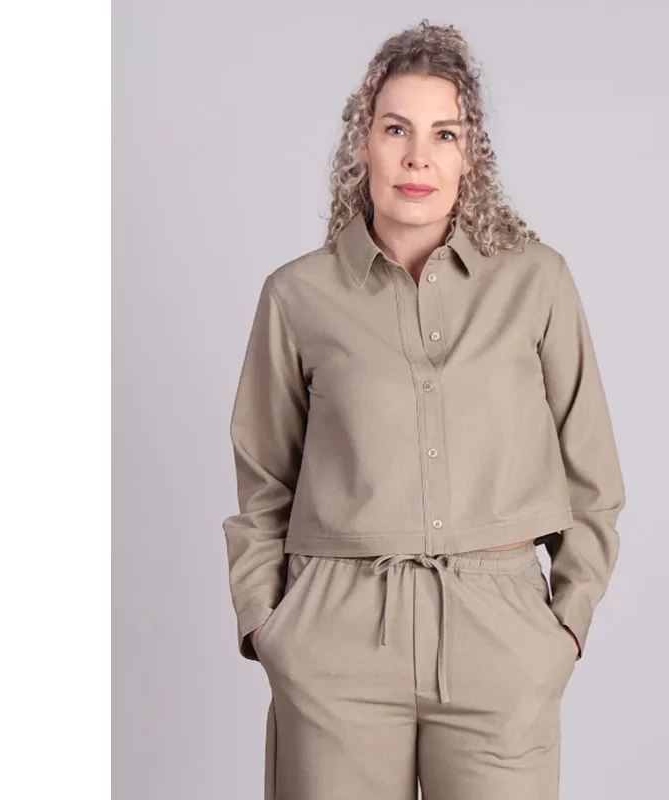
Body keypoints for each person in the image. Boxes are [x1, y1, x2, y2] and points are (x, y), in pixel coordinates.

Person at [221, 18, 626, 800]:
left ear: (470, 155)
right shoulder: (298, 296)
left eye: (445, 133)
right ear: (362, 145)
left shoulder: (537, 283)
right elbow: (263, 482)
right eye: (396, 129)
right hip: (337, 637)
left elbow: (593, 479)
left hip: (499, 637)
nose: (418, 157)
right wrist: (269, 626)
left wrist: (564, 626)